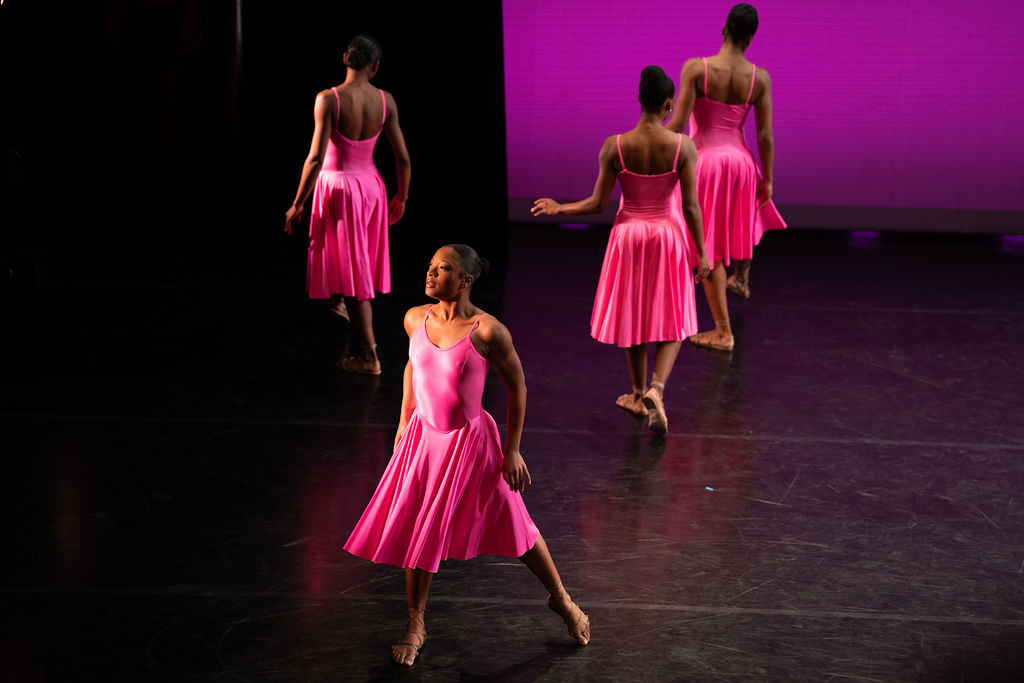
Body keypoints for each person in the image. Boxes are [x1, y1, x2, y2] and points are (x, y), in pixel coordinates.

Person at [344, 244, 590, 666]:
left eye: (443, 269)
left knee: (517, 527)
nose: (431, 273)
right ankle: (416, 622)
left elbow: (519, 388)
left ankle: (561, 599)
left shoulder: (488, 331)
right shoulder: (414, 318)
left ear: (466, 280)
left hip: (470, 444)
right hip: (424, 442)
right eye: (431, 266)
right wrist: (404, 421)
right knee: (417, 530)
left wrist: (512, 450)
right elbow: (412, 366)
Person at [532, 66, 710, 435]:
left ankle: (635, 393)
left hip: (628, 235)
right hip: (666, 234)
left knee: (634, 315)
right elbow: (691, 207)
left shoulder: (615, 145)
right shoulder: (683, 146)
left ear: (639, 100)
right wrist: (703, 251)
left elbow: (598, 204)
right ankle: (656, 389)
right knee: (675, 314)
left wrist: (559, 207)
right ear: (667, 104)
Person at [284, 34, 411, 374]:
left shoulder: (329, 99)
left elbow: (314, 158)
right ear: (376, 66)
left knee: (356, 274)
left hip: (338, 188)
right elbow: (403, 159)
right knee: (356, 261)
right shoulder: (385, 101)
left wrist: (297, 203)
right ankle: (343, 302)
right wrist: (402, 196)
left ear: (345, 58)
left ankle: (369, 356)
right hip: (370, 188)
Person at [666, 3, 786, 351]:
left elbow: (677, 124)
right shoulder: (759, 78)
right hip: (741, 163)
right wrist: (769, 176)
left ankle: (723, 331)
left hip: (706, 163)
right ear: (750, 38)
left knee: (711, 248)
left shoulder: (698, 69)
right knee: (737, 223)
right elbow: (765, 136)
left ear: (724, 29)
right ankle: (743, 278)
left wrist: (649, 143)